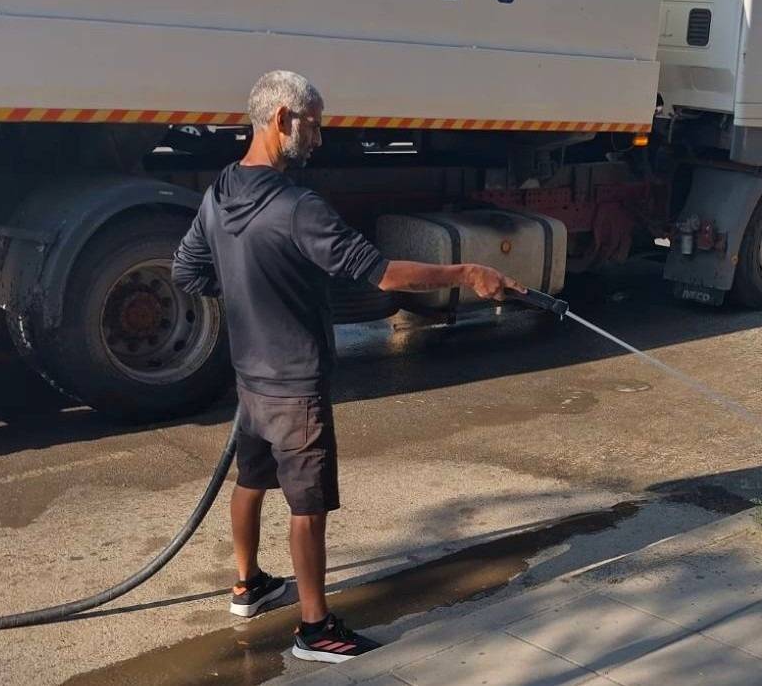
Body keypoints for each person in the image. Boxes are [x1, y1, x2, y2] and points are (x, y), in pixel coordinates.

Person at [172, 71, 524, 663]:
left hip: (251, 377)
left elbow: (187, 271)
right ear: (283, 119)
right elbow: (382, 274)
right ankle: (316, 630)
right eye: (313, 124)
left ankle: (248, 586)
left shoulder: (219, 190)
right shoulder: (298, 208)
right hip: (296, 384)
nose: (319, 137)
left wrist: (246, 289)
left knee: (251, 480)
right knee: (307, 505)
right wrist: (467, 272)